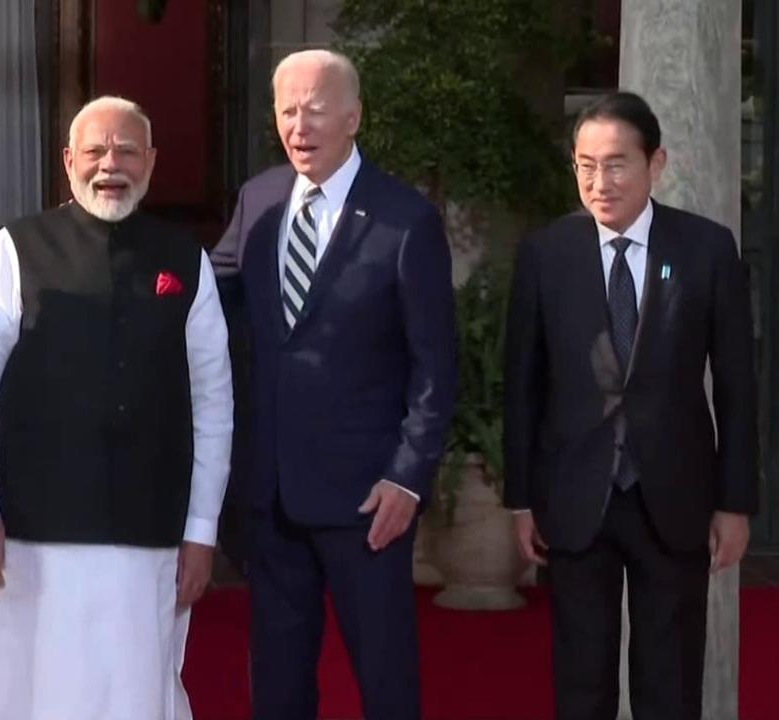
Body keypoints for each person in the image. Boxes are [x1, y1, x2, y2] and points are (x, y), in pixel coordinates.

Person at [0, 95, 233, 720]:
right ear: (69, 161)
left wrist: (202, 532)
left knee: (133, 693)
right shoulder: (16, 249)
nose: (111, 164)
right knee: (25, 693)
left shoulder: (186, 260)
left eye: (128, 150)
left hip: (149, 531)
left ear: (151, 162)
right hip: (27, 532)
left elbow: (213, 405)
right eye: (97, 150)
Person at [211, 49, 457, 719]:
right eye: (287, 110)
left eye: (315, 109)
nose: (299, 125)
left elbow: (436, 365)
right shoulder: (259, 200)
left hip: (368, 501)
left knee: (385, 679)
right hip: (272, 493)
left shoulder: (405, 219)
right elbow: (208, 295)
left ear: (352, 117)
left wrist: (408, 476)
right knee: (279, 684)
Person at [503, 90, 757, 720]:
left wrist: (735, 502)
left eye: (616, 164)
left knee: (668, 686)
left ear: (656, 163)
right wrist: (521, 497)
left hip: (673, 497)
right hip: (574, 498)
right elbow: (523, 384)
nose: (599, 181)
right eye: (585, 165)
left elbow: (736, 384)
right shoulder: (546, 254)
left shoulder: (705, 250)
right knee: (580, 684)